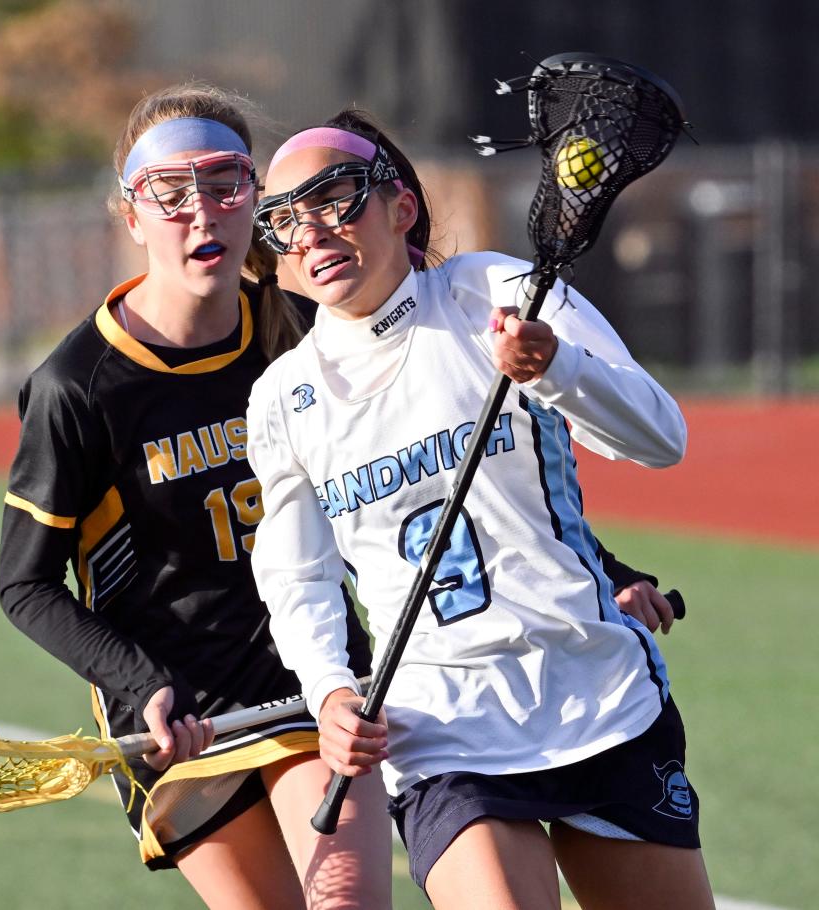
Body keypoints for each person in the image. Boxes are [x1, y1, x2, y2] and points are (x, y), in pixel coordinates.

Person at [246, 110, 716, 909]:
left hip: (594, 691)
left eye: (338, 201)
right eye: (286, 220)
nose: (316, 232)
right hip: (442, 725)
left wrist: (555, 367)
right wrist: (328, 689)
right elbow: (296, 576)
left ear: (400, 208)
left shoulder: (495, 293)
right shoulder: (282, 400)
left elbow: (660, 436)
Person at [0, 84, 392, 910]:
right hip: (179, 715)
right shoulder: (78, 388)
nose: (200, 212)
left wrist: (599, 563)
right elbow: (25, 585)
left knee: (346, 901)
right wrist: (141, 683)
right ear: (131, 216)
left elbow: (430, 455)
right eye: (169, 194)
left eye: (223, 185)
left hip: (307, 675)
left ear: (258, 199)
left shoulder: (301, 327)